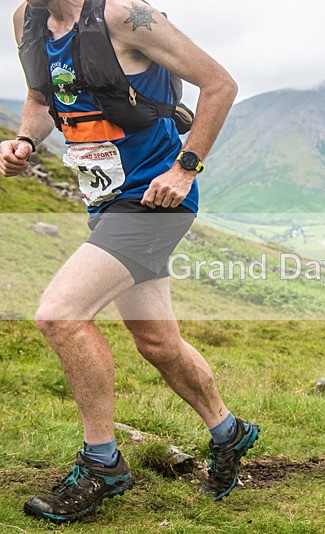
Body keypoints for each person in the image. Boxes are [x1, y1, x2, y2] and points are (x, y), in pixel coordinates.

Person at [1, 0, 258, 523]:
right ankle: (229, 431)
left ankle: (102, 464)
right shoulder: (26, 19)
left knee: (61, 315)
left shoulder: (123, 15)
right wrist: (25, 140)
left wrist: (185, 168)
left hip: (155, 200)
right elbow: (40, 97)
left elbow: (220, 84)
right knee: (157, 342)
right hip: (106, 200)